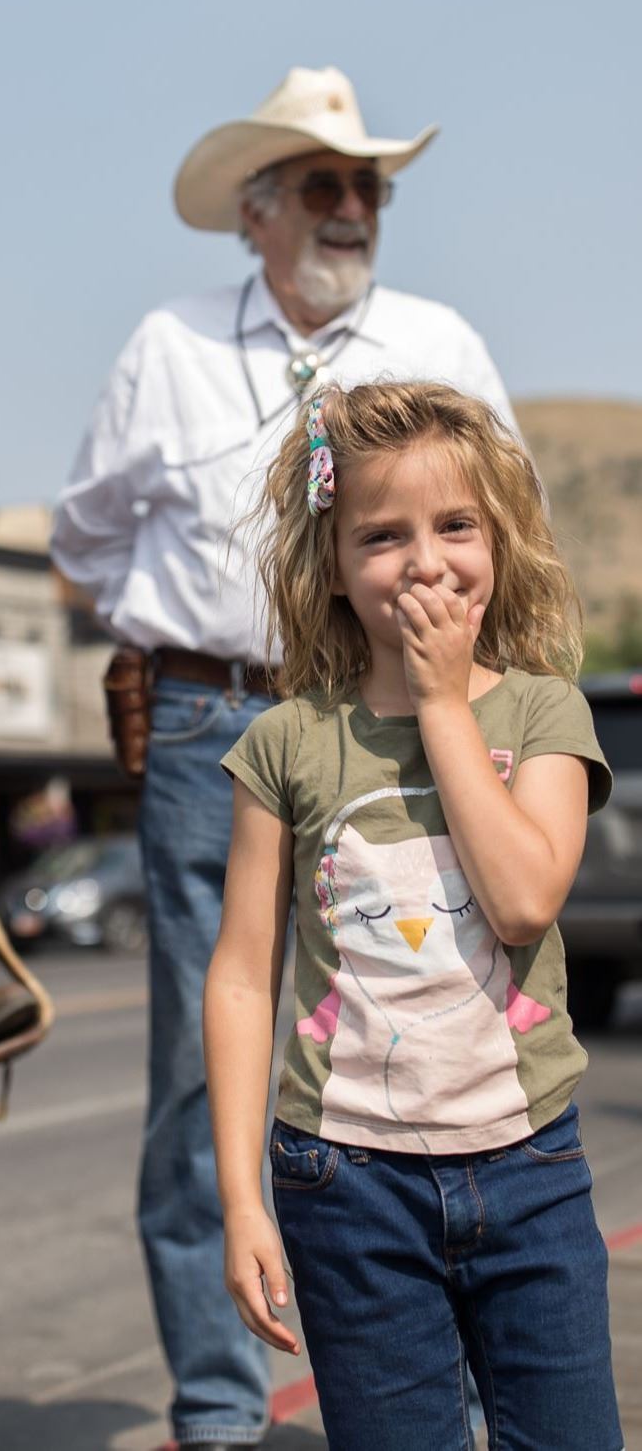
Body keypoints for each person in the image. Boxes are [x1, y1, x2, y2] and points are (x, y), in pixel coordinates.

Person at [51, 67, 516, 1448]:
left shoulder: (441, 342)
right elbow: (83, 534)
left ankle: (453, 1387)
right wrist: (191, 629)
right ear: (255, 212)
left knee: (433, 1042)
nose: (354, 204)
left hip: (399, 720)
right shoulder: (169, 345)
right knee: (208, 1077)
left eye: (367, 181)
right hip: (216, 727)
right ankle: (217, 1413)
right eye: (324, 182)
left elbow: (510, 527)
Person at [206, 380, 620, 1451]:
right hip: (343, 1183)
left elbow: (524, 898)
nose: (424, 560)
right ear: (333, 567)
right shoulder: (282, 743)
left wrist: (441, 703)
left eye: (454, 526)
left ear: (499, 542)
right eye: (380, 535)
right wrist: (242, 1199)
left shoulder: (539, 711)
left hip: (525, 1166)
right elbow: (242, 977)